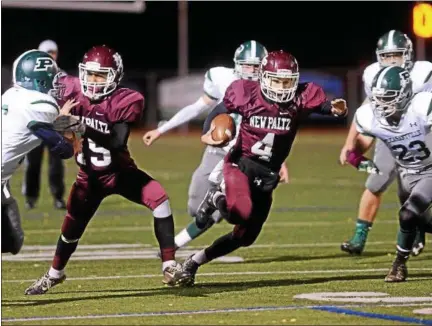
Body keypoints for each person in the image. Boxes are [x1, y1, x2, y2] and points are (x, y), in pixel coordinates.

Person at [24, 45, 192, 295]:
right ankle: (54, 274)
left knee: (160, 200)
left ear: (115, 76)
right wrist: (55, 119)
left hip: (120, 173)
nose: (93, 81)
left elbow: (116, 141)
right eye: (90, 75)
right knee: (71, 231)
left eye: (100, 75)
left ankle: (169, 265)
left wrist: (80, 125)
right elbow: (43, 101)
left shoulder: (126, 100)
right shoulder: (71, 92)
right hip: (88, 179)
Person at [180, 50, 348, 286]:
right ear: (264, 77)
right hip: (241, 163)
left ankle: (194, 262)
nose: (281, 87)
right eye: (276, 80)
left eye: (286, 81)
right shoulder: (246, 93)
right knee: (240, 210)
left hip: (268, 174)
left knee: (245, 237)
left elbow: (322, 106)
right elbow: (219, 111)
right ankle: (216, 197)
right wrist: (210, 131)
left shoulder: (301, 98)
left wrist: (334, 108)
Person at [144, 41, 289, 251]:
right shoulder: (222, 78)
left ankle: (177, 243)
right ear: (237, 65)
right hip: (218, 148)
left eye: (257, 67)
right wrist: (162, 129)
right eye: (248, 66)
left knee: (225, 206)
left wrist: (278, 160)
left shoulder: (271, 89)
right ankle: (219, 204)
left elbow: (275, 129)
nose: (252, 71)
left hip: (245, 155)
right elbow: (198, 107)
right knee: (195, 205)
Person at [340, 30, 432, 256]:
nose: (391, 61)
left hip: (422, 133)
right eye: (386, 56)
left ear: (408, 55)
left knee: (411, 188)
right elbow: (368, 109)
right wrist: (350, 144)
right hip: (391, 133)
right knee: (376, 182)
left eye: (397, 56)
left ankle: (417, 228)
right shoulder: (374, 76)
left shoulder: (424, 74)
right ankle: (360, 236)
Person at [2, 49, 74, 255]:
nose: (55, 84)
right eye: (51, 78)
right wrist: (65, 120)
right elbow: (65, 150)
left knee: (11, 241)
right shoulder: (40, 105)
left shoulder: (11, 94)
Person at [22, 39, 67, 210]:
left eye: (53, 52)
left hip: (55, 125)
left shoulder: (61, 75)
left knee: (56, 164)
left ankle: (58, 197)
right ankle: (31, 197)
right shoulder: (29, 74)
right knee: (33, 162)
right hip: (36, 124)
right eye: (47, 52)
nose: (50, 56)